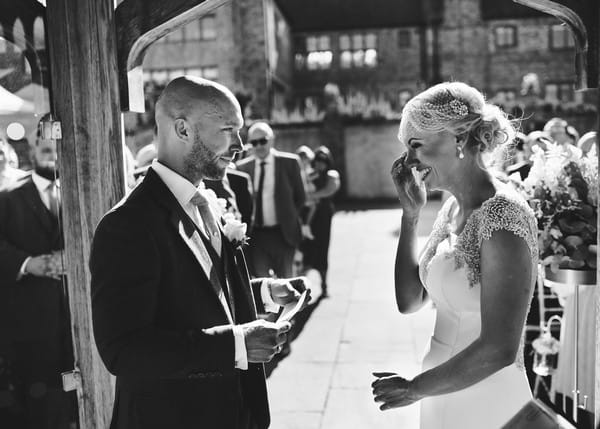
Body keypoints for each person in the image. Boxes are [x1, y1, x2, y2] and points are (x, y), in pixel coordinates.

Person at [90, 76, 308, 429]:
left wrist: (263, 292)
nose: (240, 145)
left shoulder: (204, 200)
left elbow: (200, 291)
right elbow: (123, 349)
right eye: (228, 130)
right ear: (183, 130)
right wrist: (236, 345)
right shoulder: (127, 225)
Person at [371, 82, 538, 429]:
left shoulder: (503, 218)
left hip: (486, 397)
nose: (408, 161)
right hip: (441, 387)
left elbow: (499, 348)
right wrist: (410, 216)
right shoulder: (451, 209)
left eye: (416, 146)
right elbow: (410, 300)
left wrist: (415, 389)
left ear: (458, 140)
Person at [0, 116, 75, 429]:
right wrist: (28, 263)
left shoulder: (80, 194)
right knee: (36, 406)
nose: (49, 149)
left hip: (76, 321)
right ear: (32, 146)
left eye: (54, 143)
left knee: (72, 396)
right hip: (29, 326)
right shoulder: (8, 198)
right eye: (42, 142)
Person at [236, 122, 306, 278]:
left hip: (283, 233)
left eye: (263, 140)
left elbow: (300, 197)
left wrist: (289, 216)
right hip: (256, 237)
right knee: (263, 284)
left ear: (272, 140)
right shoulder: (242, 168)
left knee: (287, 283)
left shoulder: (290, 162)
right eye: (254, 142)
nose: (259, 146)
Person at [302, 146, 340, 297]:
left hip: (323, 215)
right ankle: (303, 287)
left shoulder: (331, 174)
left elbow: (330, 189)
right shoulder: (311, 174)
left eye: (323, 160)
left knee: (323, 248)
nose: (320, 163)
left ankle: (324, 285)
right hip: (309, 216)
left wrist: (313, 195)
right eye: (317, 160)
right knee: (307, 250)